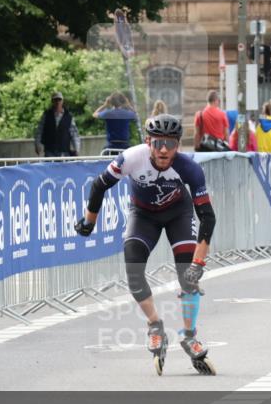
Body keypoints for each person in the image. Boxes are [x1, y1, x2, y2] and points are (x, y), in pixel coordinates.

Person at [74, 115, 217, 376]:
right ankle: (155, 326)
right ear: (148, 142)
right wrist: (88, 222)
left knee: (189, 276)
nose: (164, 150)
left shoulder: (190, 169)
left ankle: (189, 335)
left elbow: (207, 216)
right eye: (158, 143)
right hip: (143, 216)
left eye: (170, 144)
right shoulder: (131, 158)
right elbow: (99, 185)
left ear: (179, 146)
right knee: (134, 271)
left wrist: (198, 263)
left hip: (179, 215)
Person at [34, 91, 81, 157]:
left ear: (62, 101)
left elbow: (74, 134)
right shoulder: (46, 115)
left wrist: (77, 149)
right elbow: (39, 130)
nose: (57, 102)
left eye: (59, 100)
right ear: (52, 101)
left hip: (64, 151)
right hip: (49, 150)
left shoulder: (69, 116)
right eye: (55, 100)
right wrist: (37, 144)